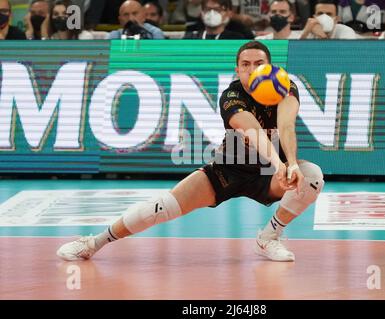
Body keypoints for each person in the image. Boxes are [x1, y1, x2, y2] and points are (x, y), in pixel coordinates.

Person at [56, 40, 324, 263]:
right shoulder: (231, 97)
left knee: (312, 177)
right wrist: (280, 166)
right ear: (237, 70)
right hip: (227, 171)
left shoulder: (284, 86)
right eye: (245, 65)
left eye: (259, 64)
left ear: (271, 67)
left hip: (267, 174)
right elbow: (252, 131)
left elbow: (286, 125)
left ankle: (268, 237)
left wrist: (291, 165)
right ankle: (92, 243)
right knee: (160, 208)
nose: (252, 70)